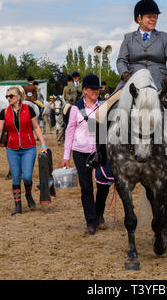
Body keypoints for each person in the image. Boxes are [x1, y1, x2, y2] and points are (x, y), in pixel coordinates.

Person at [87, 0, 167, 176]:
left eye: (155, 17)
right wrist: (125, 75)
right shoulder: (128, 38)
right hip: (132, 85)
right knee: (100, 113)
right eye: (149, 17)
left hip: (161, 85)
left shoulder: (164, 37)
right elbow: (121, 60)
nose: (153, 19)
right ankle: (100, 154)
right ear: (139, 18)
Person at [62, 74, 110, 235]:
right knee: (87, 188)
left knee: (104, 184)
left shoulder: (103, 106)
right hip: (80, 152)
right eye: (92, 89)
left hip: (100, 151)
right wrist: (66, 156)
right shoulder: (75, 108)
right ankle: (91, 222)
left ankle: (99, 213)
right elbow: (69, 132)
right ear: (84, 90)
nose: (96, 91)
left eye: (97, 89)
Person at [0, 86, 48, 215]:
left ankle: (28, 195)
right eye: (7, 96)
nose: (8, 99)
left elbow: (36, 127)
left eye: (10, 96)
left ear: (18, 97)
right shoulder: (4, 112)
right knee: (15, 177)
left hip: (29, 147)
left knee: (27, 177)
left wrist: (43, 144)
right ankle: (17, 205)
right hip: (12, 149)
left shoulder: (29, 109)